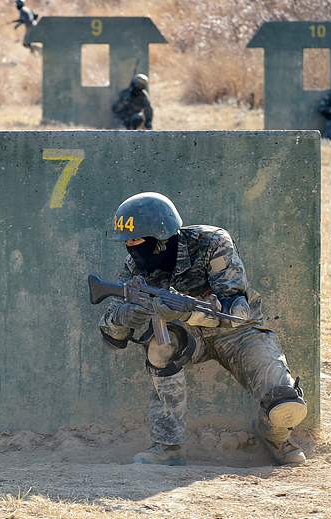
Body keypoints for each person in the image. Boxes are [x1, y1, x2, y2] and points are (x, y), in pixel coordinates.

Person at [98, 192, 308, 466]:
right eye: (126, 241)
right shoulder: (134, 270)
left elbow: (237, 312)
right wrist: (123, 317)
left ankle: (275, 435)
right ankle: (168, 446)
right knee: (161, 346)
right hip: (188, 338)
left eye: (136, 240)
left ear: (160, 238)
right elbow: (110, 339)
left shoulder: (211, 242)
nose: (130, 247)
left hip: (240, 334)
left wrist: (189, 311)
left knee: (285, 400)